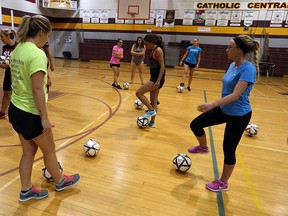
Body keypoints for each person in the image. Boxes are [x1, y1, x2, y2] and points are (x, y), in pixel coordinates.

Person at [9, 15, 80, 202]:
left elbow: (20, 77)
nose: (48, 38)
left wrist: (43, 77)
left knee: (28, 152)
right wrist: (44, 118)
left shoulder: (18, 49)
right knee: (49, 150)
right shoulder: (37, 53)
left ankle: (26, 190)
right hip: (30, 112)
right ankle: (60, 181)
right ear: (41, 32)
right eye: (48, 35)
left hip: (15, 110)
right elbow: (37, 89)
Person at [187, 35, 260, 192]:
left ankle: (223, 182)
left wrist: (212, 104)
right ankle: (203, 147)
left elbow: (235, 95)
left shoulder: (248, 69)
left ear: (239, 50)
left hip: (239, 115)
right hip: (225, 109)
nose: (226, 50)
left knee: (228, 149)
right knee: (196, 124)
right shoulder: (232, 65)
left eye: (229, 47)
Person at [135, 34, 165, 128]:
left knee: (138, 93)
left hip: (156, 79)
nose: (146, 46)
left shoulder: (158, 50)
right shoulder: (153, 50)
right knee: (154, 100)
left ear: (152, 42)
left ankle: (151, 110)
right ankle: (152, 122)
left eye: (147, 44)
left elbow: (162, 66)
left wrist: (158, 80)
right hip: (154, 77)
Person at [0, 29, 17, 118]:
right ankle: (2, 112)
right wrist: (1, 64)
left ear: (8, 36)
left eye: (2, 37)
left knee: (16, 94)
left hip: (16, 74)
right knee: (6, 93)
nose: (1, 39)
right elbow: (3, 59)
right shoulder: (4, 47)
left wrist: (9, 64)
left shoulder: (18, 46)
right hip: (7, 73)